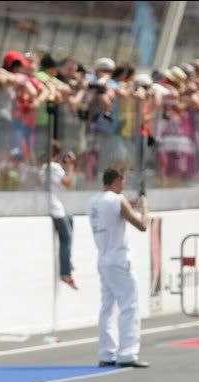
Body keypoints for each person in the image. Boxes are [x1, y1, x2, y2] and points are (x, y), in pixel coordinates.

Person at [88, 168, 149, 368]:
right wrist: (145, 207)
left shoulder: (94, 201)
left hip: (103, 257)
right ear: (117, 180)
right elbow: (142, 225)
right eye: (123, 181)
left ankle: (107, 352)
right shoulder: (117, 200)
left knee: (107, 307)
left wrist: (130, 205)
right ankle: (127, 353)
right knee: (129, 306)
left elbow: (116, 213)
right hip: (119, 259)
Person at [41, 140, 78, 290]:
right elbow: (67, 182)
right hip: (55, 209)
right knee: (66, 239)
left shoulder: (44, 167)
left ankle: (66, 259)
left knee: (70, 219)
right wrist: (70, 166)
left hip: (52, 207)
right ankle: (65, 272)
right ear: (57, 154)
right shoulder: (55, 167)